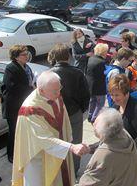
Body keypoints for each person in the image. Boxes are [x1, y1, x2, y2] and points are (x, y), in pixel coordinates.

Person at [12, 71, 90, 186]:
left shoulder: (54, 95)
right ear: (41, 90)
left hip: (59, 150)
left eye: (60, 89)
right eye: (55, 91)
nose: (59, 94)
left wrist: (68, 140)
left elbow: (65, 120)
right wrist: (70, 147)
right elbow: (42, 138)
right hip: (39, 158)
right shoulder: (29, 110)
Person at [48, 43, 90, 175]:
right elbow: (85, 95)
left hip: (55, 114)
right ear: (68, 56)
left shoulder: (49, 74)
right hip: (74, 113)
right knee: (76, 140)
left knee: (57, 140)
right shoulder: (77, 72)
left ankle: (59, 169)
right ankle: (74, 169)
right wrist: (81, 109)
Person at [77, 108, 137, 186]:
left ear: (103, 132)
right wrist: (90, 148)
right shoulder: (124, 134)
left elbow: (89, 182)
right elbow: (105, 143)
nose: (93, 125)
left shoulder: (104, 156)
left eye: (95, 125)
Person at [108, 74, 137, 176]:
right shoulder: (116, 106)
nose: (114, 98)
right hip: (122, 156)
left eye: (117, 95)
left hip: (136, 157)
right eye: (112, 94)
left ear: (126, 93)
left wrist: (122, 148)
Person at [2, 45, 34, 163]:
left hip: (23, 103)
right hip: (13, 106)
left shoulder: (26, 66)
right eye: (24, 55)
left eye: (27, 54)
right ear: (16, 57)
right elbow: (11, 86)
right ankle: (11, 154)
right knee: (14, 131)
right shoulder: (11, 68)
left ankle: (21, 150)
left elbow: (29, 80)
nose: (27, 56)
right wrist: (30, 89)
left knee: (22, 130)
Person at [86, 43, 109, 123]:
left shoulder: (91, 58)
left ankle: (90, 115)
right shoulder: (102, 62)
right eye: (106, 51)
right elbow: (104, 75)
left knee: (92, 101)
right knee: (100, 104)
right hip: (99, 87)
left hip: (90, 85)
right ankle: (94, 118)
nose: (107, 53)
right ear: (103, 52)